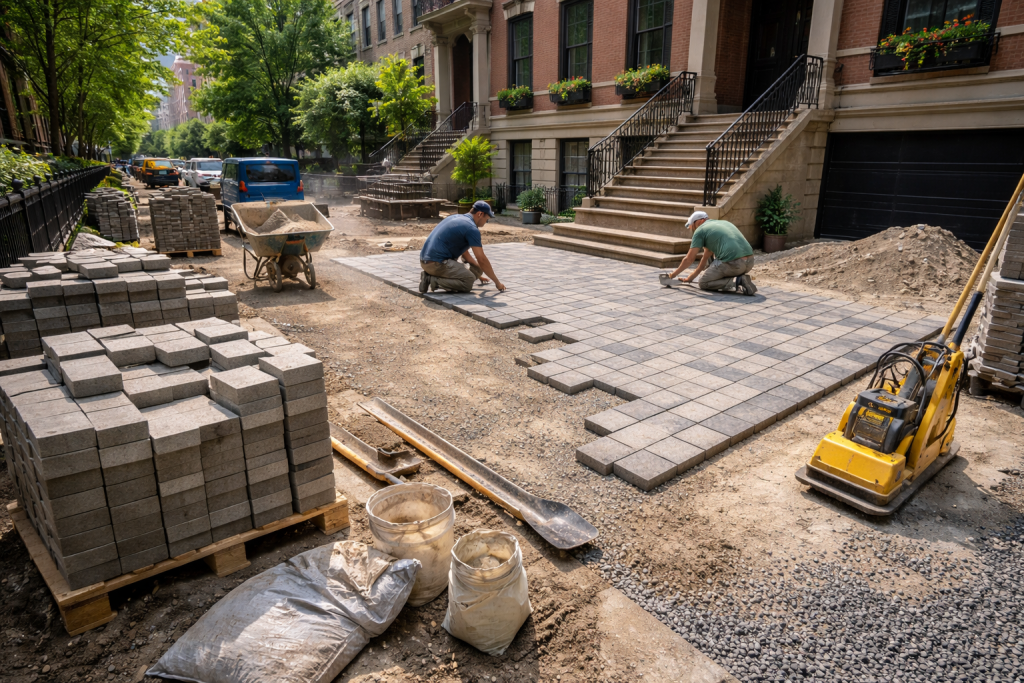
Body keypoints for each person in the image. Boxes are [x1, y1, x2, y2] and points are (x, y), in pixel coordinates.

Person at [419, 200, 506, 294]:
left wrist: (478, 273)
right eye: (487, 219)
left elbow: (465, 254)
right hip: (436, 264)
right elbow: (481, 259)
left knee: (478, 269)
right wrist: (497, 283)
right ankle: (430, 279)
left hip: (426, 261)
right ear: (480, 214)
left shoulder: (458, 218)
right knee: (468, 281)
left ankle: (436, 276)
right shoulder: (471, 228)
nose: (486, 222)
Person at [662, 211, 757, 295]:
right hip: (750, 262)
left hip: (733, 263)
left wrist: (671, 276)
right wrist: (690, 278)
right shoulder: (722, 223)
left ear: (699, 221)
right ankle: (740, 278)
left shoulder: (700, 230)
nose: (693, 231)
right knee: (715, 266)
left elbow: (689, 259)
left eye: (693, 227)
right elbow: (704, 260)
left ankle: (738, 281)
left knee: (703, 283)